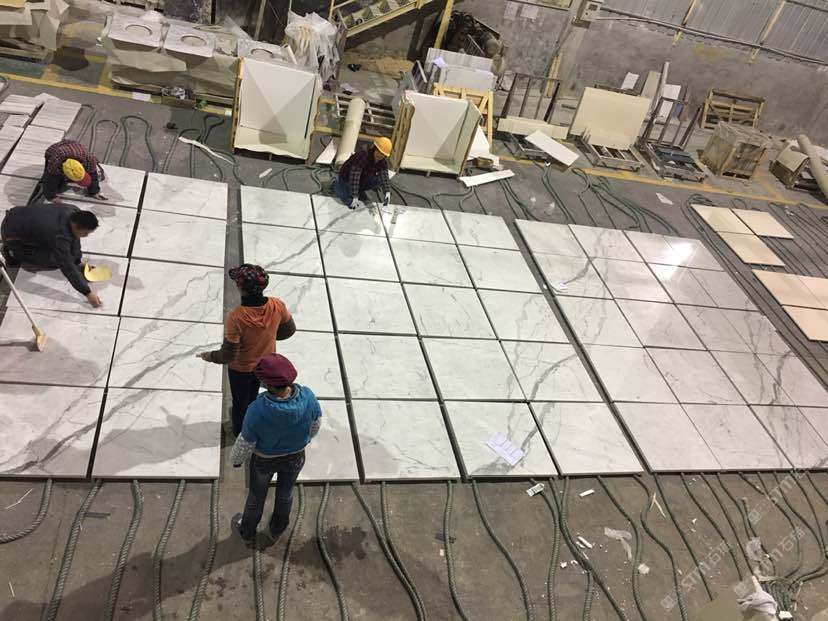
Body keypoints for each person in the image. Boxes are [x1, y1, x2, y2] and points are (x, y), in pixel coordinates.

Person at [230, 353, 321, 544]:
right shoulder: (309, 397)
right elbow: (315, 425)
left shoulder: (257, 410)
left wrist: (236, 460)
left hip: (264, 461)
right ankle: (277, 529)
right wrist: (301, 441)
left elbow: (245, 442)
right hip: (296, 457)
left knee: (256, 496)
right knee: (285, 494)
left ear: (268, 385)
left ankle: (247, 531)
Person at [199, 264, 295, 436]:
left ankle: (239, 431)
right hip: (264, 366)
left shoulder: (236, 317)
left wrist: (210, 356)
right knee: (253, 396)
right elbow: (289, 330)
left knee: (239, 402)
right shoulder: (277, 305)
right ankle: (252, 421)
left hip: (241, 369)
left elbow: (229, 354)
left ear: (240, 288)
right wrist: (269, 336)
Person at [0, 203, 103, 307]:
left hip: (16, 215)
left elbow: (75, 239)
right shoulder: (59, 235)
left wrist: (77, 261)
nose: (86, 236)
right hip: (11, 235)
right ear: (76, 226)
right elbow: (66, 265)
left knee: (62, 250)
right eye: (85, 233)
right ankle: (13, 252)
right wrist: (88, 293)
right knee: (54, 260)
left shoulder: (73, 210)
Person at [333, 136, 393, 210]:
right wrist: (355, 196)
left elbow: (384, 176)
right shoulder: (363, 156)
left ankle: (359, 190)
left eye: (383, 154)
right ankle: (335, 184)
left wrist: (387, 191)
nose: (380, 156)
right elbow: (354, 177)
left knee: (379, 180)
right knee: (350, 203)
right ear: (374, 149)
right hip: (346, 179)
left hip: (362, 177)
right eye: (378, 152)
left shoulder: (382, 161)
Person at [42, 139, 106, 202]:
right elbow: (50, 179)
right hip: (54, 150)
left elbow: (93, 175)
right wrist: (51, 197)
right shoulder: (55, 163)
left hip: (75, 147)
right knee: (55, 182)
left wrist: (95, 192)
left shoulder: (89, 159)